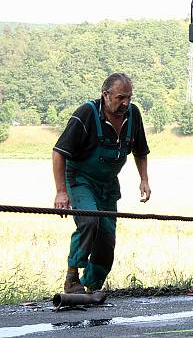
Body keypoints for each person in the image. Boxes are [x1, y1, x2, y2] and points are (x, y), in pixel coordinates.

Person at [53, 73, 151, 294]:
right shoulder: (86, 114)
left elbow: (141, 150)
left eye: (129, 97)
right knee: (89, 221)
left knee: (107, 239)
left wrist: (144, 179)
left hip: (108, 185)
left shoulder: (133, 115)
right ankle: (72, 277)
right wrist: (61, 192)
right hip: (80, 180)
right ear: (105, 95)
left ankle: (92, 287)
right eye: (120, 98)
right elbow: (58, 153)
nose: (125, 102)